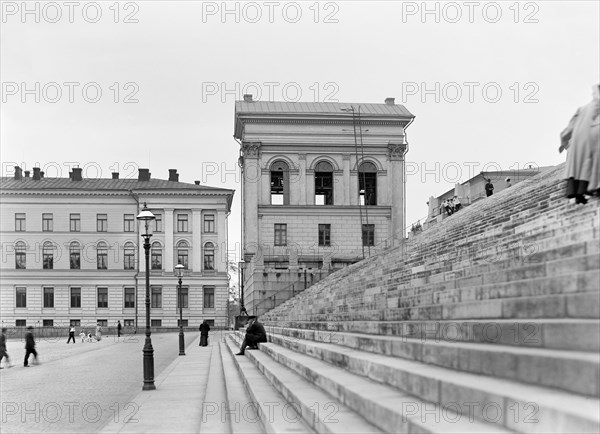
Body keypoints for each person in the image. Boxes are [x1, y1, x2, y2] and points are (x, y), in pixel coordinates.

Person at [560, 84, 600, 204]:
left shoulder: (582, 108)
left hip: (577, 142)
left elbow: (569, 128)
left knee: (578, 168)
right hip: (592, 138)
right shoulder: (597, 105)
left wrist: (564, 141)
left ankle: (578, 194)